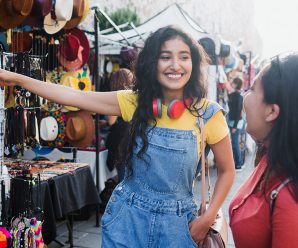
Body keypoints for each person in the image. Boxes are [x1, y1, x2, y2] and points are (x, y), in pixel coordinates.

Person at [0, 26, 235, 247]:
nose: (175, 65)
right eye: (166, 57)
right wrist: (19, 79)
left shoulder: (208, 114)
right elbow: (73, 96)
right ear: (153, 62)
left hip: (179, 226)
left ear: (193, 62)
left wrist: (207, 218)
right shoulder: (135, 102)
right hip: (127, 219)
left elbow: (227, 170)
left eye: (184, 57)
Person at [229, 53, 298, 248]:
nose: (245, 96)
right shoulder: (270, 159)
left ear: (272, 112)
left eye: (252, 89)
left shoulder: (290, 197)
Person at [106, 68, 134, 181]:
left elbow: (111, 121)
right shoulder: (133, 95)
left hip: (121, 141)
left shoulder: (118, 97)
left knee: (123, 175)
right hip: (132, 139)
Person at [227, 77, 244, 171]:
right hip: (233, 121)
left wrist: (234, 126)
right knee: (235, 142)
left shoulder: (238, 96)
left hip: (235, 123)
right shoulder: (234, 95)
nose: (232, 84)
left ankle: (238, 165)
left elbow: (238, 112)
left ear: (236, 84)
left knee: (235, 143)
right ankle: (239, 162)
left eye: (233, 82)